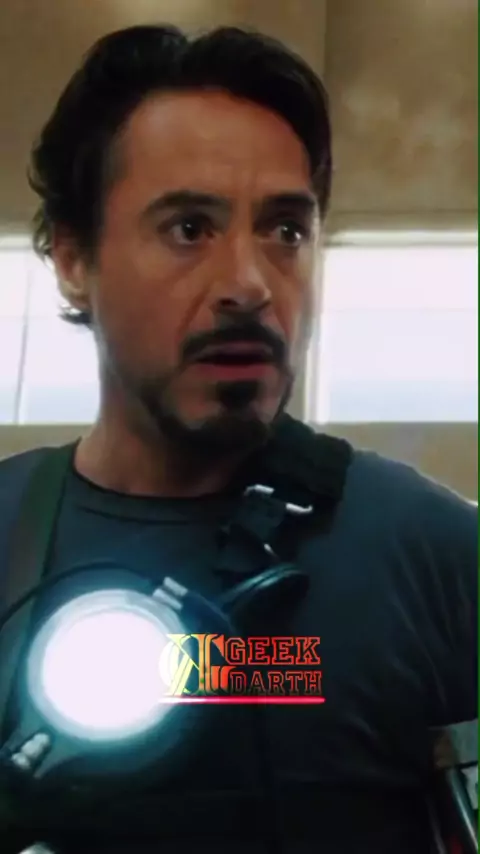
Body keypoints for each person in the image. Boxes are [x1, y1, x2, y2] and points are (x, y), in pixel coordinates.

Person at [0, 24, 476, 854]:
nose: (250, 284)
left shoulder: (436, 555)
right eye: (189, 228)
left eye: (285, 231)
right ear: (73, 258)